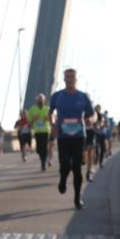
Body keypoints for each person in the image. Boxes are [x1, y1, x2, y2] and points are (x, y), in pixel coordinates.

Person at [49, 68, 93, 209]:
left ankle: (77, 198)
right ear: (64, 79)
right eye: (67, 76)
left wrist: (90, 119)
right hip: (63, 136)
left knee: (76, 167)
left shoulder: (82, 96)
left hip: (79, 136)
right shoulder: (57, 96)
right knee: (64, 166)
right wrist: (53, 125)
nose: (69, 79)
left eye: (72, 76)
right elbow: (50, 114)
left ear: (76, 79)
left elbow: (92, 114)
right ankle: (62, 179)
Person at [27, 93, 51, 171]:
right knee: (39, 149)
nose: (40, 101)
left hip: (46, 131)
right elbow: (29, 122)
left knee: (44, 146)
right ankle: (43, 158)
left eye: (41, 99)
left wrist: (48, 119)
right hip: (37, 131)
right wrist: (34, 119)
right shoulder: (32, 109)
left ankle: (43, 162)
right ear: (36, 100)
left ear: (44, 100)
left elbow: (52, 120)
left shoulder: (47, 109)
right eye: (39, 99)